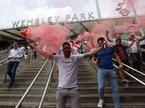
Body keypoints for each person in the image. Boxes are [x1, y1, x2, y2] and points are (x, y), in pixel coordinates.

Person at [28, 41, 104, 108]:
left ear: (71, 49)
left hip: (74, 89)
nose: (67, 49)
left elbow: (89, 53)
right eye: (65, 48)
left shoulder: (75, 58)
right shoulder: (59, 58)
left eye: (68, 48)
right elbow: (45, 54)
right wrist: (35, 47)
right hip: (61, 89)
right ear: (63, 50)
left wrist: (100, 48)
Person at [92, 37, 123, 108]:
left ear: (104, 42)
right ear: (98, 43)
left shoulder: (110, 48)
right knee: (101, 87)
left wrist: (120, 64)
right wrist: (95, 62)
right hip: (101, 70)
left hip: (111, 70)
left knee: (115, 89)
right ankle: (101, 99)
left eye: (102, 41)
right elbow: (93, 60)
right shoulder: (96, 50)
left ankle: (117, 106)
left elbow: (116, 56)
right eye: (100, 42)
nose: (101, 43)